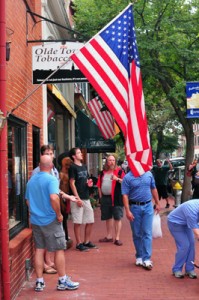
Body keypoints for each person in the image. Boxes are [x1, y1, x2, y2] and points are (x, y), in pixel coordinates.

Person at [26, 155, 79, 292]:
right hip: (51, 220)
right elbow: (54, 197)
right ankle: (62, 281)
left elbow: (27, 201)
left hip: (36, 221)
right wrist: (59, 214)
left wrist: (35, 212)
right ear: (51, 166)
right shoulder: (51, 179)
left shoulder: (31, 181)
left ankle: (39, 282)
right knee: (59, 249)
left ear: (39, 165)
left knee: (39, 249)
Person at [122, 170, 160, 270]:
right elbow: (125, 195)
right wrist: (127, 211)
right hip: (134, 207)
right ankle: (139, 256)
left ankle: (147, 258)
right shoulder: (128, 177)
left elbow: (153, 188)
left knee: (147, 232)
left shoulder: (149, 174)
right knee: (137, 233)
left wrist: (157, 202)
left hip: (148, 206)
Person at [32, 144, 59, 274]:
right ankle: (45, 266)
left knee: (47, 242)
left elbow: (55, 190)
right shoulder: (37, 172)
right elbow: (51, 196)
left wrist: (67, 197)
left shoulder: (54, 170)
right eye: (46, 153)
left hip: (50, 210)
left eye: (51, 153)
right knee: (43, 244)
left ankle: (48, 261)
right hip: (44, 212)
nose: (49, 155)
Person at [68, 147, 96, 252]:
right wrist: (77, 198)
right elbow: (72, 183)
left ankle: (87, 241)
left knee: (90, 220)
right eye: (79, 153)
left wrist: (89, 184)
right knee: (78, 222)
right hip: (77, 198)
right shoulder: (72, 167)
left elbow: (87, 179)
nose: (81, 154)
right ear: (74, 156)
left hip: (86, 196)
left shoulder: (84, 166)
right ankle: (79, 243)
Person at [97, 155, 125, 246]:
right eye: (110, 160)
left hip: (116, 197)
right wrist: (100, 197)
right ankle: (109, 236)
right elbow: (99, 185)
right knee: (108, 217)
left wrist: (117, 179)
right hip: (105, 198)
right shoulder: (103, 172)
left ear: (115, 162)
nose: (111, 162)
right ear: (107, 162)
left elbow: (125, 182)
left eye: (113, 160)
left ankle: (117, 238)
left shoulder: (120, 171)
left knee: (117, 217)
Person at [167, 199, 199, 279]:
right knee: (185, 245)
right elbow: (196, 230)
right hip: (175, 223)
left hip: (186, 223)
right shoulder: (192, 211)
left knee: (192, 244)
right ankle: (176, 269)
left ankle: (189, 269)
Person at [59, 157, 73, 249]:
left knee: (64, 220)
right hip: (62, 198)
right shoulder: (60, 175)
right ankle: (64, 238)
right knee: (63, 220)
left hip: (66, 198)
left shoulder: (66, 174)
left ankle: (65, 237)